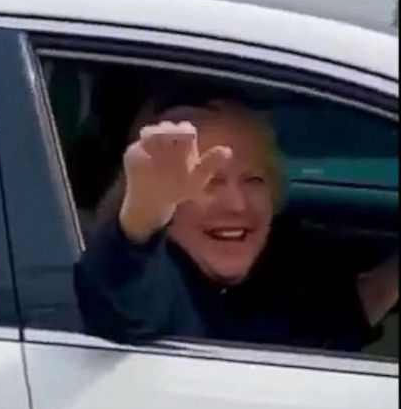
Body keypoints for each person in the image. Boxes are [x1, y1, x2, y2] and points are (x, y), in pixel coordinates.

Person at [75, 97, 398, 352]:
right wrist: (142, 216)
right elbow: (121, 301)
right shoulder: (161, 283)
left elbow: (328, 323)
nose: (236, 204)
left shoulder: (270, 275)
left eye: (254, 179)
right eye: (209, 180)